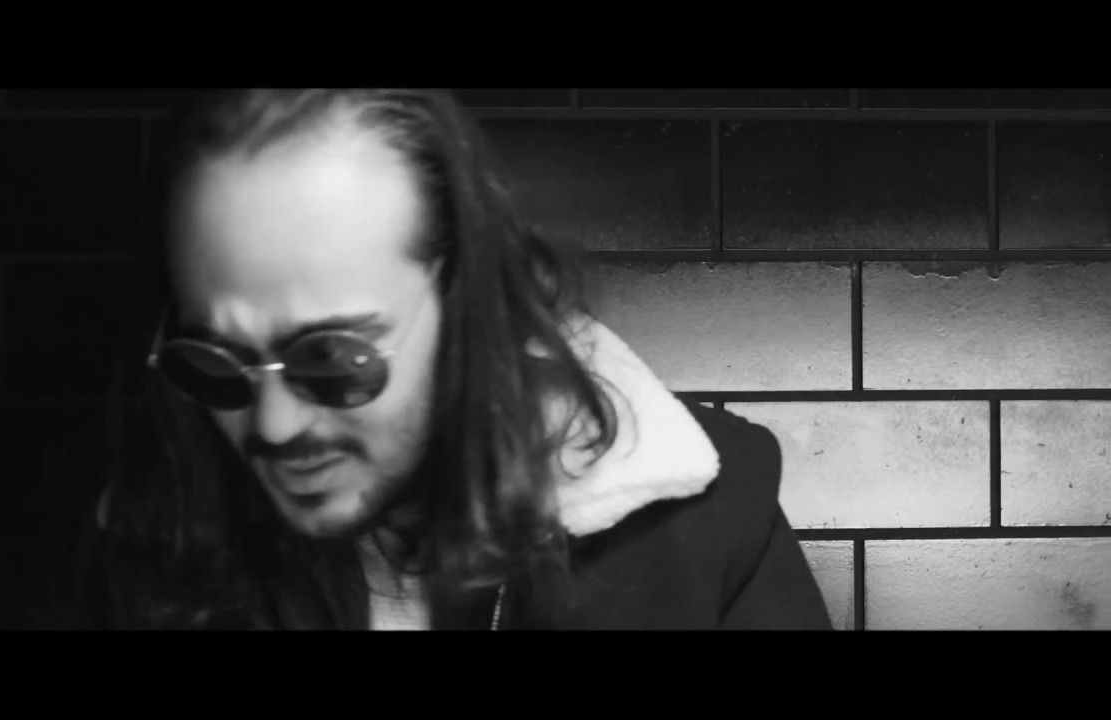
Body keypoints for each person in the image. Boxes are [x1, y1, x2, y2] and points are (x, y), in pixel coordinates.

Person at [78, 88, 832, 630]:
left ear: (467, 300)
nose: (273, 426)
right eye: (216, 365)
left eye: (333, 359)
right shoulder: (154, 543)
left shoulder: (706, 525)